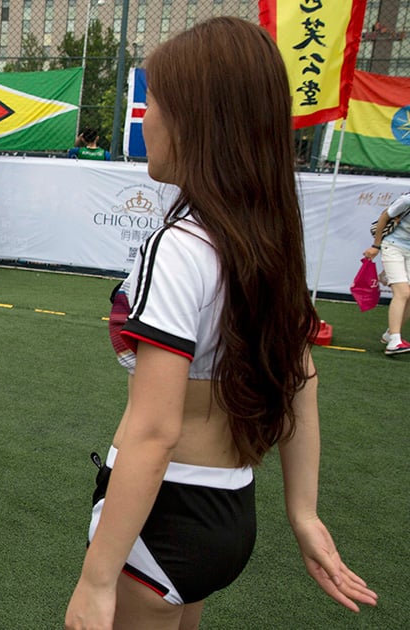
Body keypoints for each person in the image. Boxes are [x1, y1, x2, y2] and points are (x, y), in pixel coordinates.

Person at [64, 18, 377, 630]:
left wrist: (97, 581)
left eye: (149, 101)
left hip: (162, 520)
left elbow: (154, 430)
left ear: (194, 120)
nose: (143, 118)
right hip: (227, 513)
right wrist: (304, 514)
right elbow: (301, 378)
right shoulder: (266, 239)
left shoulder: (178, 245)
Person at [363, 190, 410, 355]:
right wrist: (376, 246)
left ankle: (390, 334)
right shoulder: (407, 200)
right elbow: (384, 216)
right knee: (403, 293)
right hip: (393, 246)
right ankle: (395, 341)